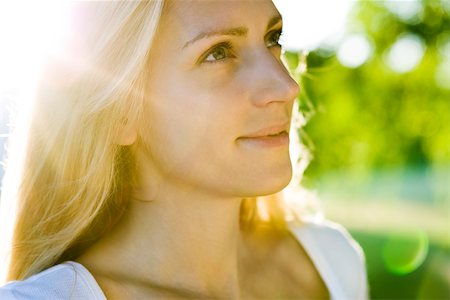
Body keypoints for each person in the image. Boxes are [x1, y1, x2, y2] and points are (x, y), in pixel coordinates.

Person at [0, 0, 369, 299]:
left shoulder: (332, 261)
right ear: (120, 113)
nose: (286, 86)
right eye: (218, 52)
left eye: (273, 38)